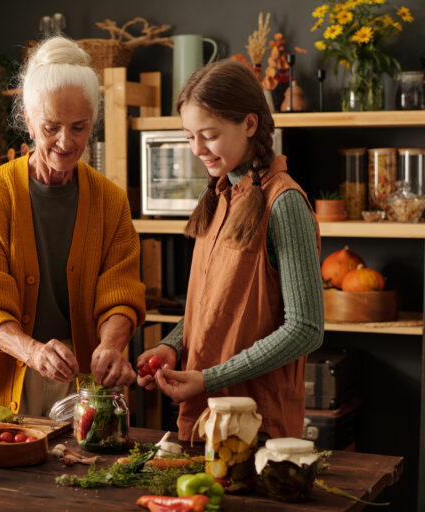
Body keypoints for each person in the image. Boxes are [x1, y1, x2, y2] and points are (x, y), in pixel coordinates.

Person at [0, 36, 146, 417]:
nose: (65, 141)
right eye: (51, 127)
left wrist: (110, 346)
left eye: (79, 127)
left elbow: (120, 291)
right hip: (5, 378)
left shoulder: (110, 201)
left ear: (92, 121)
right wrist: (32, 350)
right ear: (27, 118)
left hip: (83, 387)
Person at [136, 59, 324, 441]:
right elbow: (212, 309)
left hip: (257, 428)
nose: (197, 149)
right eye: (189, 136)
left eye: (209, 135)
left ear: (250, 124)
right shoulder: (220, 196)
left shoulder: (284, 203)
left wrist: (209, 378)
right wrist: (171, 346)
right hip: (205, 420)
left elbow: (306, 329)